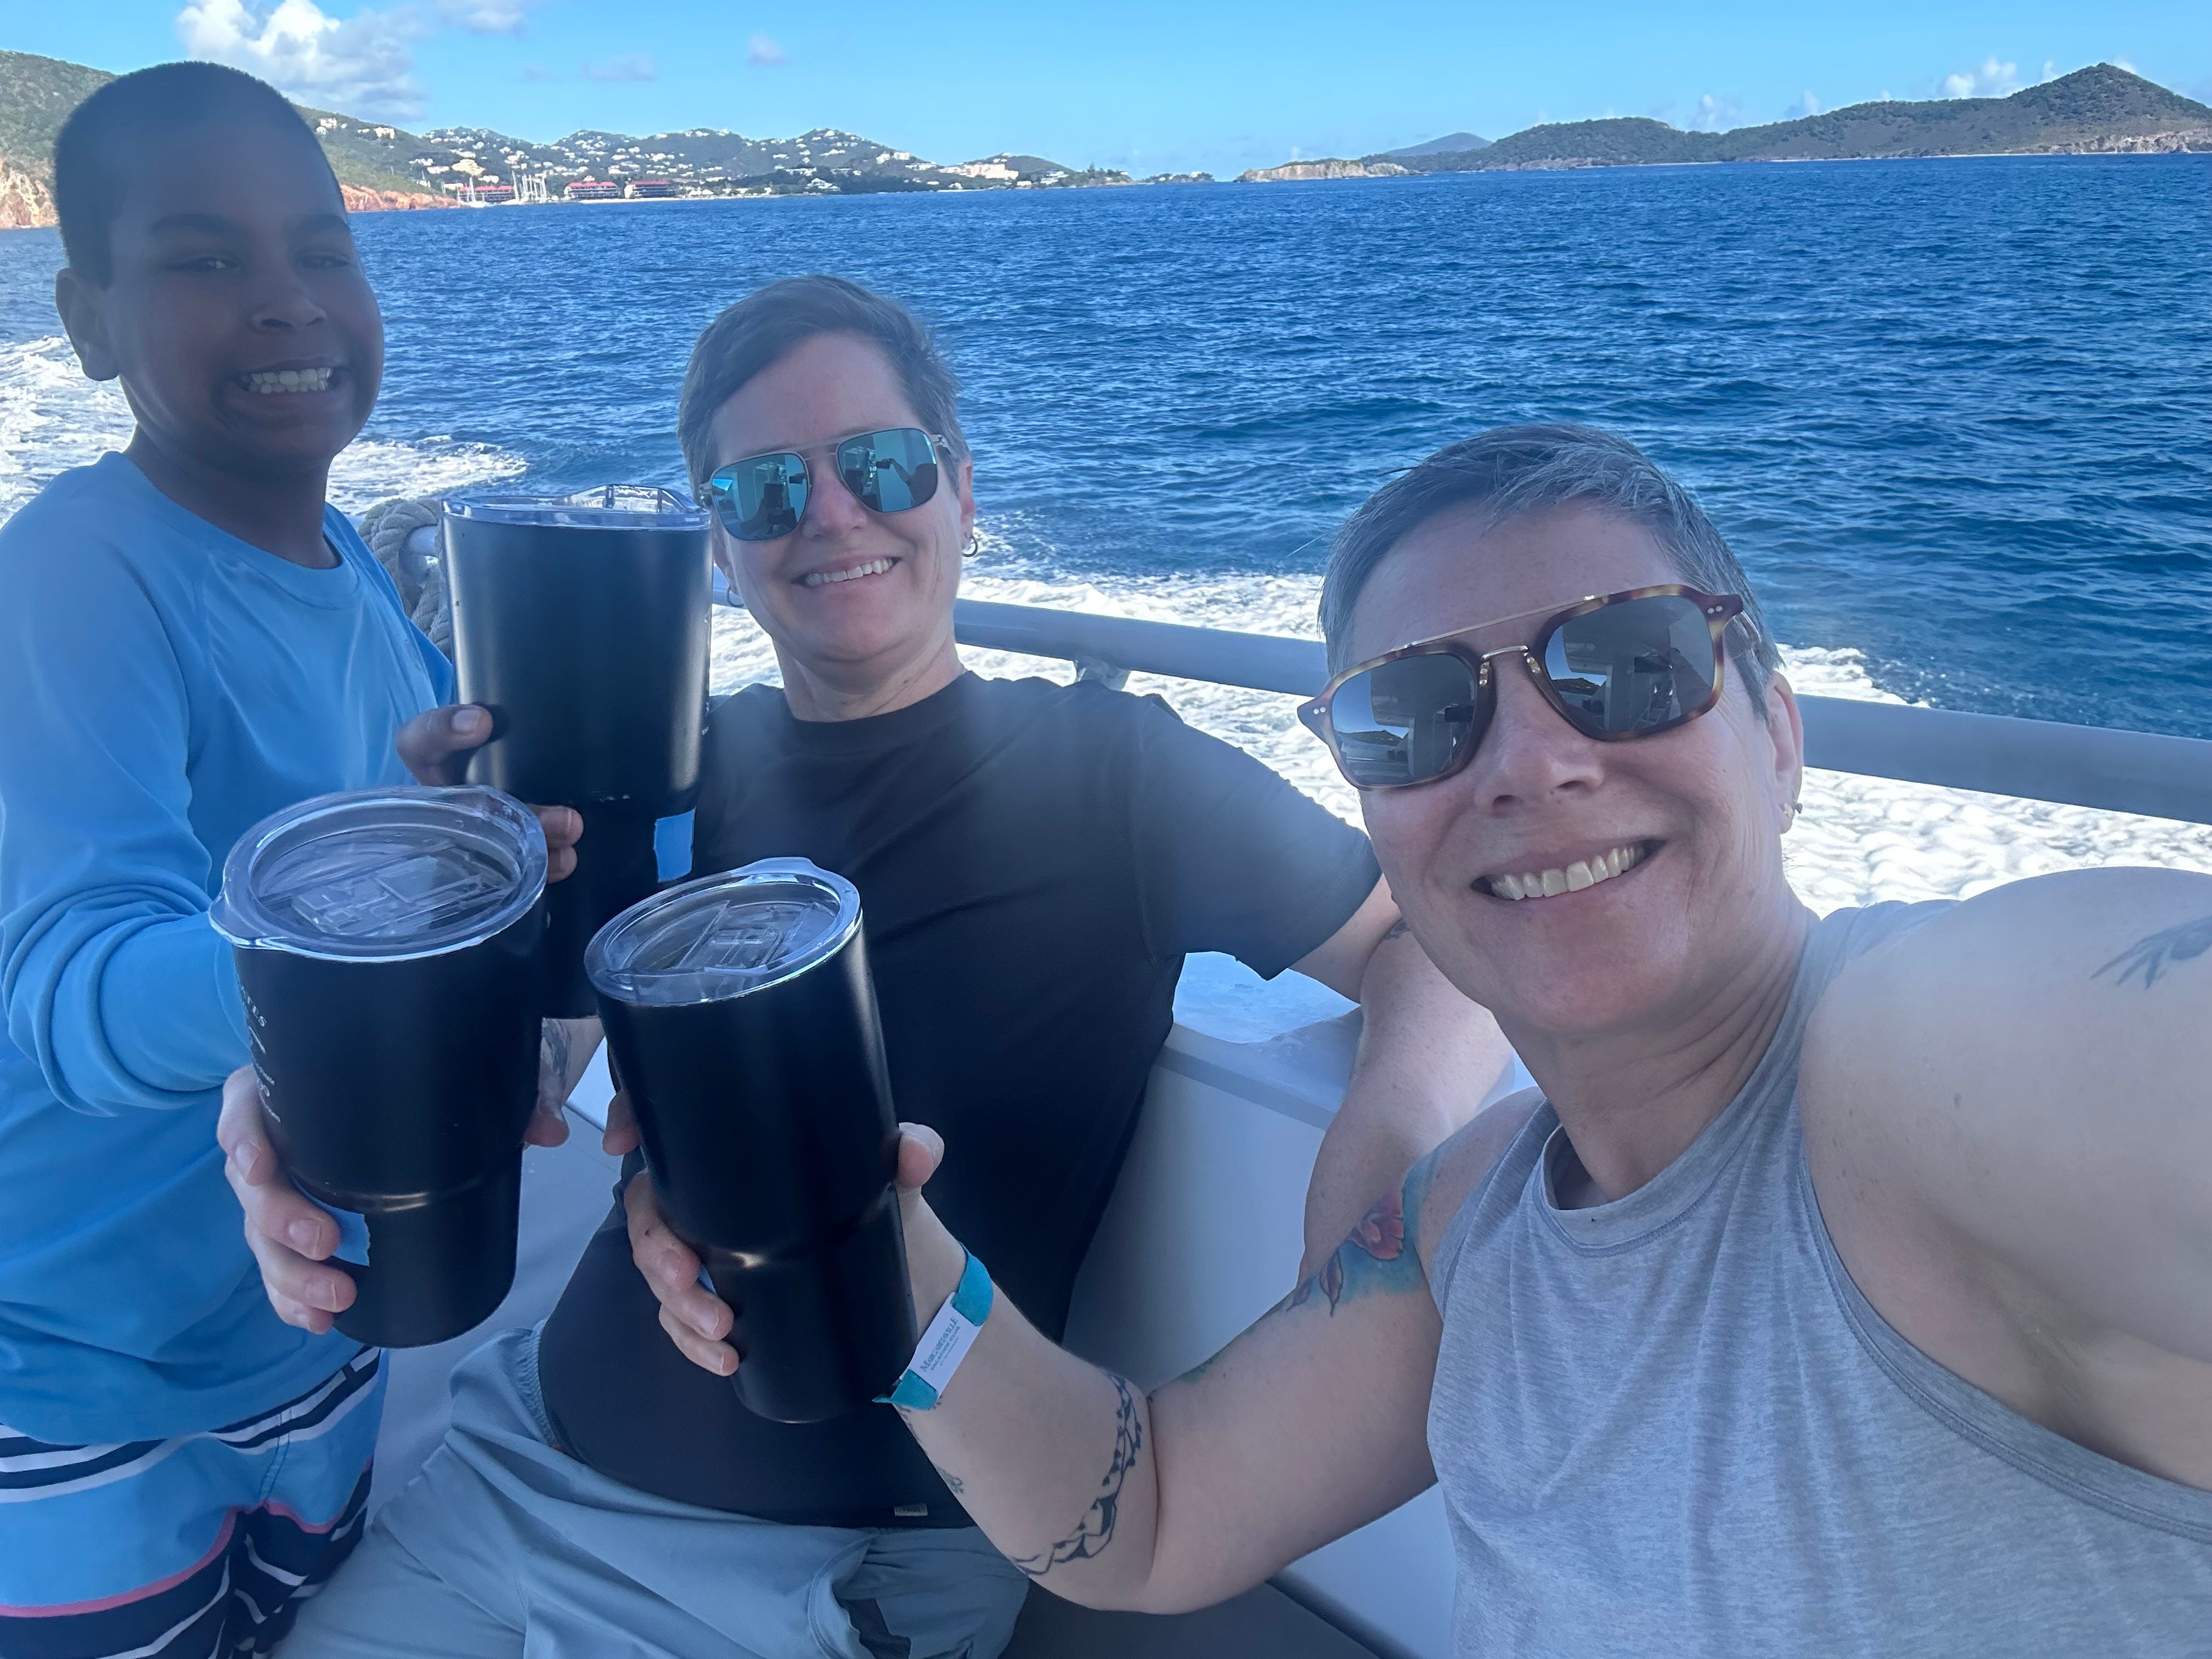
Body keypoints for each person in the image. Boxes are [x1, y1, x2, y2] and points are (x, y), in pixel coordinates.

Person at [224, 276, 1512, 1657]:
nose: (833, 516)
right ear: (720, 546)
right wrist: (400, 983)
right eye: (767, 490)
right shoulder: (667, 773)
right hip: (514, 1471)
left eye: (882, 465)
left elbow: (1435, 939)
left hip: (824, 1577)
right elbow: (548, 1069)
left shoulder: (1117, 771)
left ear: (961, 490)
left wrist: (1381, 1166)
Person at [857, 424, 2212, 1655]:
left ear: (1781, 737)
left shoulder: (1922, 1051)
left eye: (1632, 666)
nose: (1526, 763)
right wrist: (874, 1242)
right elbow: (1154, 1513)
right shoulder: (1474, 1220)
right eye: (1415, 716)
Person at [0, 63, 579, 1655]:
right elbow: (71, 995)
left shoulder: (359, 576)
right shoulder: (69, 573)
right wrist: (383, 921)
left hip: (319, 1331)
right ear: (87, 322)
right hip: (80, 1378)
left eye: (323, 249)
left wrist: (476, 869)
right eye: (202, 257)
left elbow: (398, 880)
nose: (285, 298)